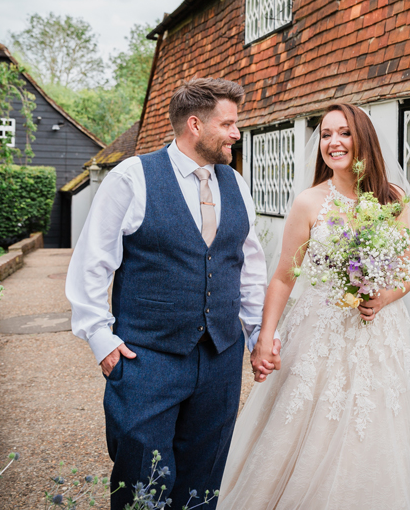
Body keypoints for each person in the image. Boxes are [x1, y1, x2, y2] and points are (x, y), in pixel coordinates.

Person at [65, 78, 281, 510]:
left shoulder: (236, 184)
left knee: (204, 477)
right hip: (148, 359)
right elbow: (93, 261)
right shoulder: (133, 177)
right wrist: (101, 340)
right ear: (195, 125)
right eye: (229, 124)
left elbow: (248, 266)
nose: (237, 134)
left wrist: (258, 333)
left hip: (220, 357)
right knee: (142, 477)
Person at [218, 103, 410, 510]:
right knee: (306, 428)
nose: (334, 142)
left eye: (344, 132)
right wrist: (266, 337)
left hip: (380, 334)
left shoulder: (393, 199)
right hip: (320, 333)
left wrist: (384, 296)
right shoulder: (309, 203)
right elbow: (283, 276)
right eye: (327, 134)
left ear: (362, 138)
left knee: (376, 429)